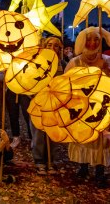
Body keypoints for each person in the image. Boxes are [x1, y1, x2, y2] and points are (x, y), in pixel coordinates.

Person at [64, 27, 110, 188]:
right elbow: (65, 85)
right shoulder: (75, 62)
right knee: (83, 138)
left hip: (102, 107)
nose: (92, 43)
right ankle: (83, 167)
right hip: (81, 108)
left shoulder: (107, 60)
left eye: (96, 39)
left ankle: (99, 171)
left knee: (100, 141)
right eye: (89, 39)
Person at [30, 36, 66, 175]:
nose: (52, 48)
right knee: (39, 134)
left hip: (56, 105)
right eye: (49, 45)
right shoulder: (37, 64)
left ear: (59, 49)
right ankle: (39, 161)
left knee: (54, 133)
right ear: (45, 47)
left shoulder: (62, 64)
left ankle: (53, 161)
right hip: (39, 104)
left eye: (56, 46)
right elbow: (30, 83)